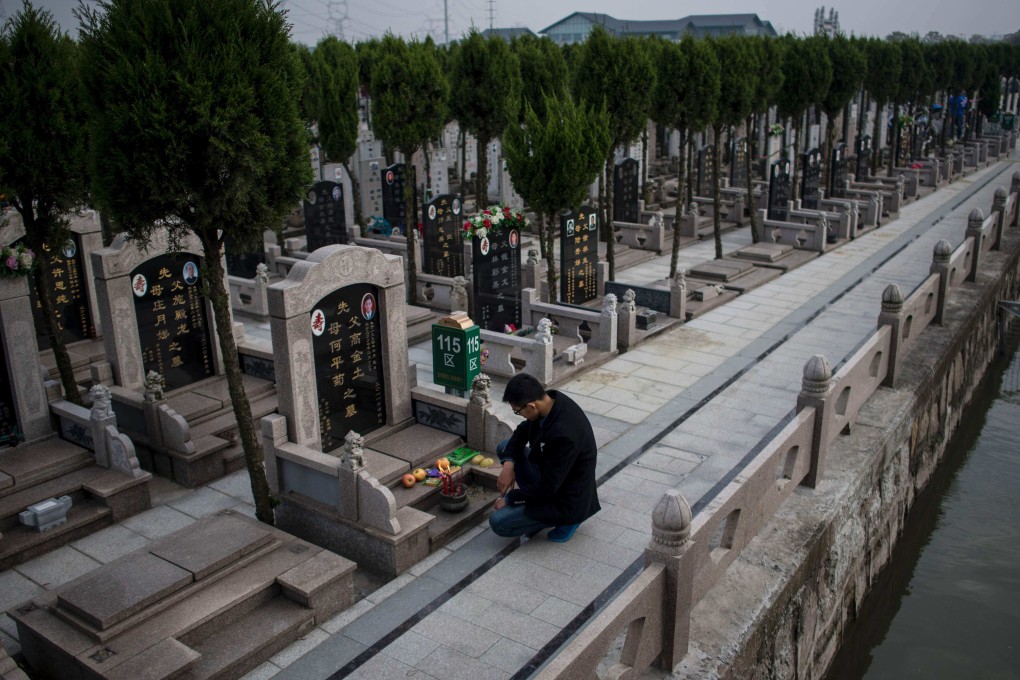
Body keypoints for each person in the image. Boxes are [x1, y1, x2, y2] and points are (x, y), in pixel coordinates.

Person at [488, 373, 600, 542]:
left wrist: (511, 498)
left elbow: (548, 488)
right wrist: (508, 464)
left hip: (566, 497)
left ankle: (568, 520)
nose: (520, 415)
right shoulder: (550, 403)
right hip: (552, 475)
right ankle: (532, 510)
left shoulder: (564, 435)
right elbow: (522, 431)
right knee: (506, 448)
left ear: (531, 406)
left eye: (518, 411)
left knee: (498, 522)